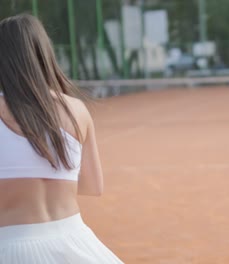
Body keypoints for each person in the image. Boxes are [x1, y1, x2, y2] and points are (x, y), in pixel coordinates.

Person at [0, 14, 123, 263]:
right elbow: (92, 186)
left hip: (11, 247)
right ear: (45, 55)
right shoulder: (76, 109)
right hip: (77, 243)